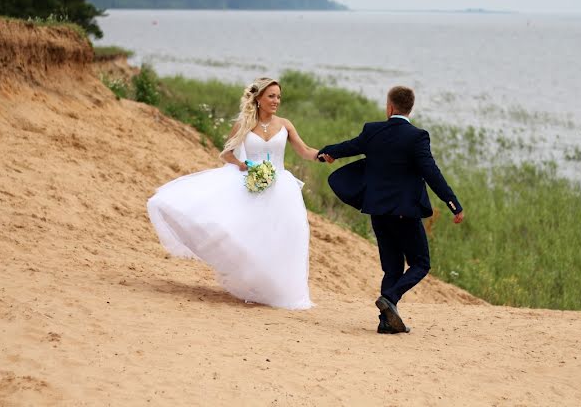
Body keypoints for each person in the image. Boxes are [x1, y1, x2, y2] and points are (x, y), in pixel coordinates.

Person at [147, 77, 319, 310]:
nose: (276, 100)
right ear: (258, 98)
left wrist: (327, 154)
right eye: (271, 96)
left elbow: (305, 150)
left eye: (278, 96)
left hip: (281, 189)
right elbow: (226, 154)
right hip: (250, 184)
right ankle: (252, 285)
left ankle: (276, 289)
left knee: (282, 237)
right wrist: (242, 164)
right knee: (248, 235)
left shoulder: (285, 124)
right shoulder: (244, 124)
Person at [317, 85, 464, 333]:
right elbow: (432, 174)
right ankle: (391, 299)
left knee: (392, 267)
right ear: (410, 108)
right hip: (405, 213)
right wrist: (453, 204)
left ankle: (386, 322)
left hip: (378, 211)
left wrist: (326, 153)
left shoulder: (373, 131)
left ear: (390, 107)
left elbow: (349, 147)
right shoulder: (417, 137)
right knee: (421, 263)